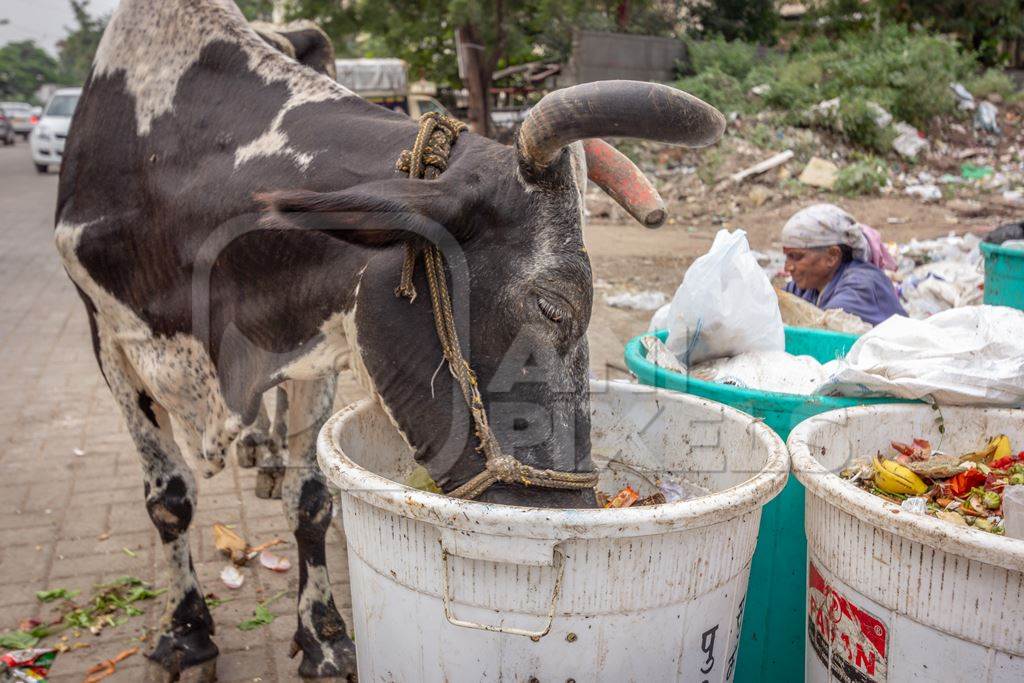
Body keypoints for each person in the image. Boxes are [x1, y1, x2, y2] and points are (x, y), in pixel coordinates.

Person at [782, 204, 906, 326]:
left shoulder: (860, 286)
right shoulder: (809, 285)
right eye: (787, 257)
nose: (788, 267)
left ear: (832, 256)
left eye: (797, 257)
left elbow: (823, 330)